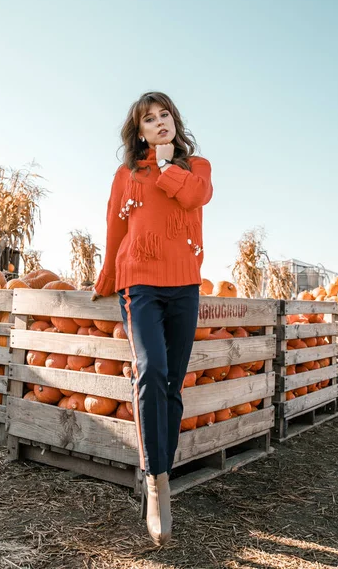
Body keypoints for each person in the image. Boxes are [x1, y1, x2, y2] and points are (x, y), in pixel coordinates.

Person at [92, 91, 213, 546]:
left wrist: (166, 167)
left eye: (166, 115)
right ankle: (156, 480)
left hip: (184, 284)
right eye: (150, 119)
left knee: (172, 383)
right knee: (151, 371)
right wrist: (106, 280)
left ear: (175, 123)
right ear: (138, 131)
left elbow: (194, 199)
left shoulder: (194, 168)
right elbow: (115, 229)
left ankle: (163, 470)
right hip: (139, 283)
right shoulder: (126, 175)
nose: (160, 122)